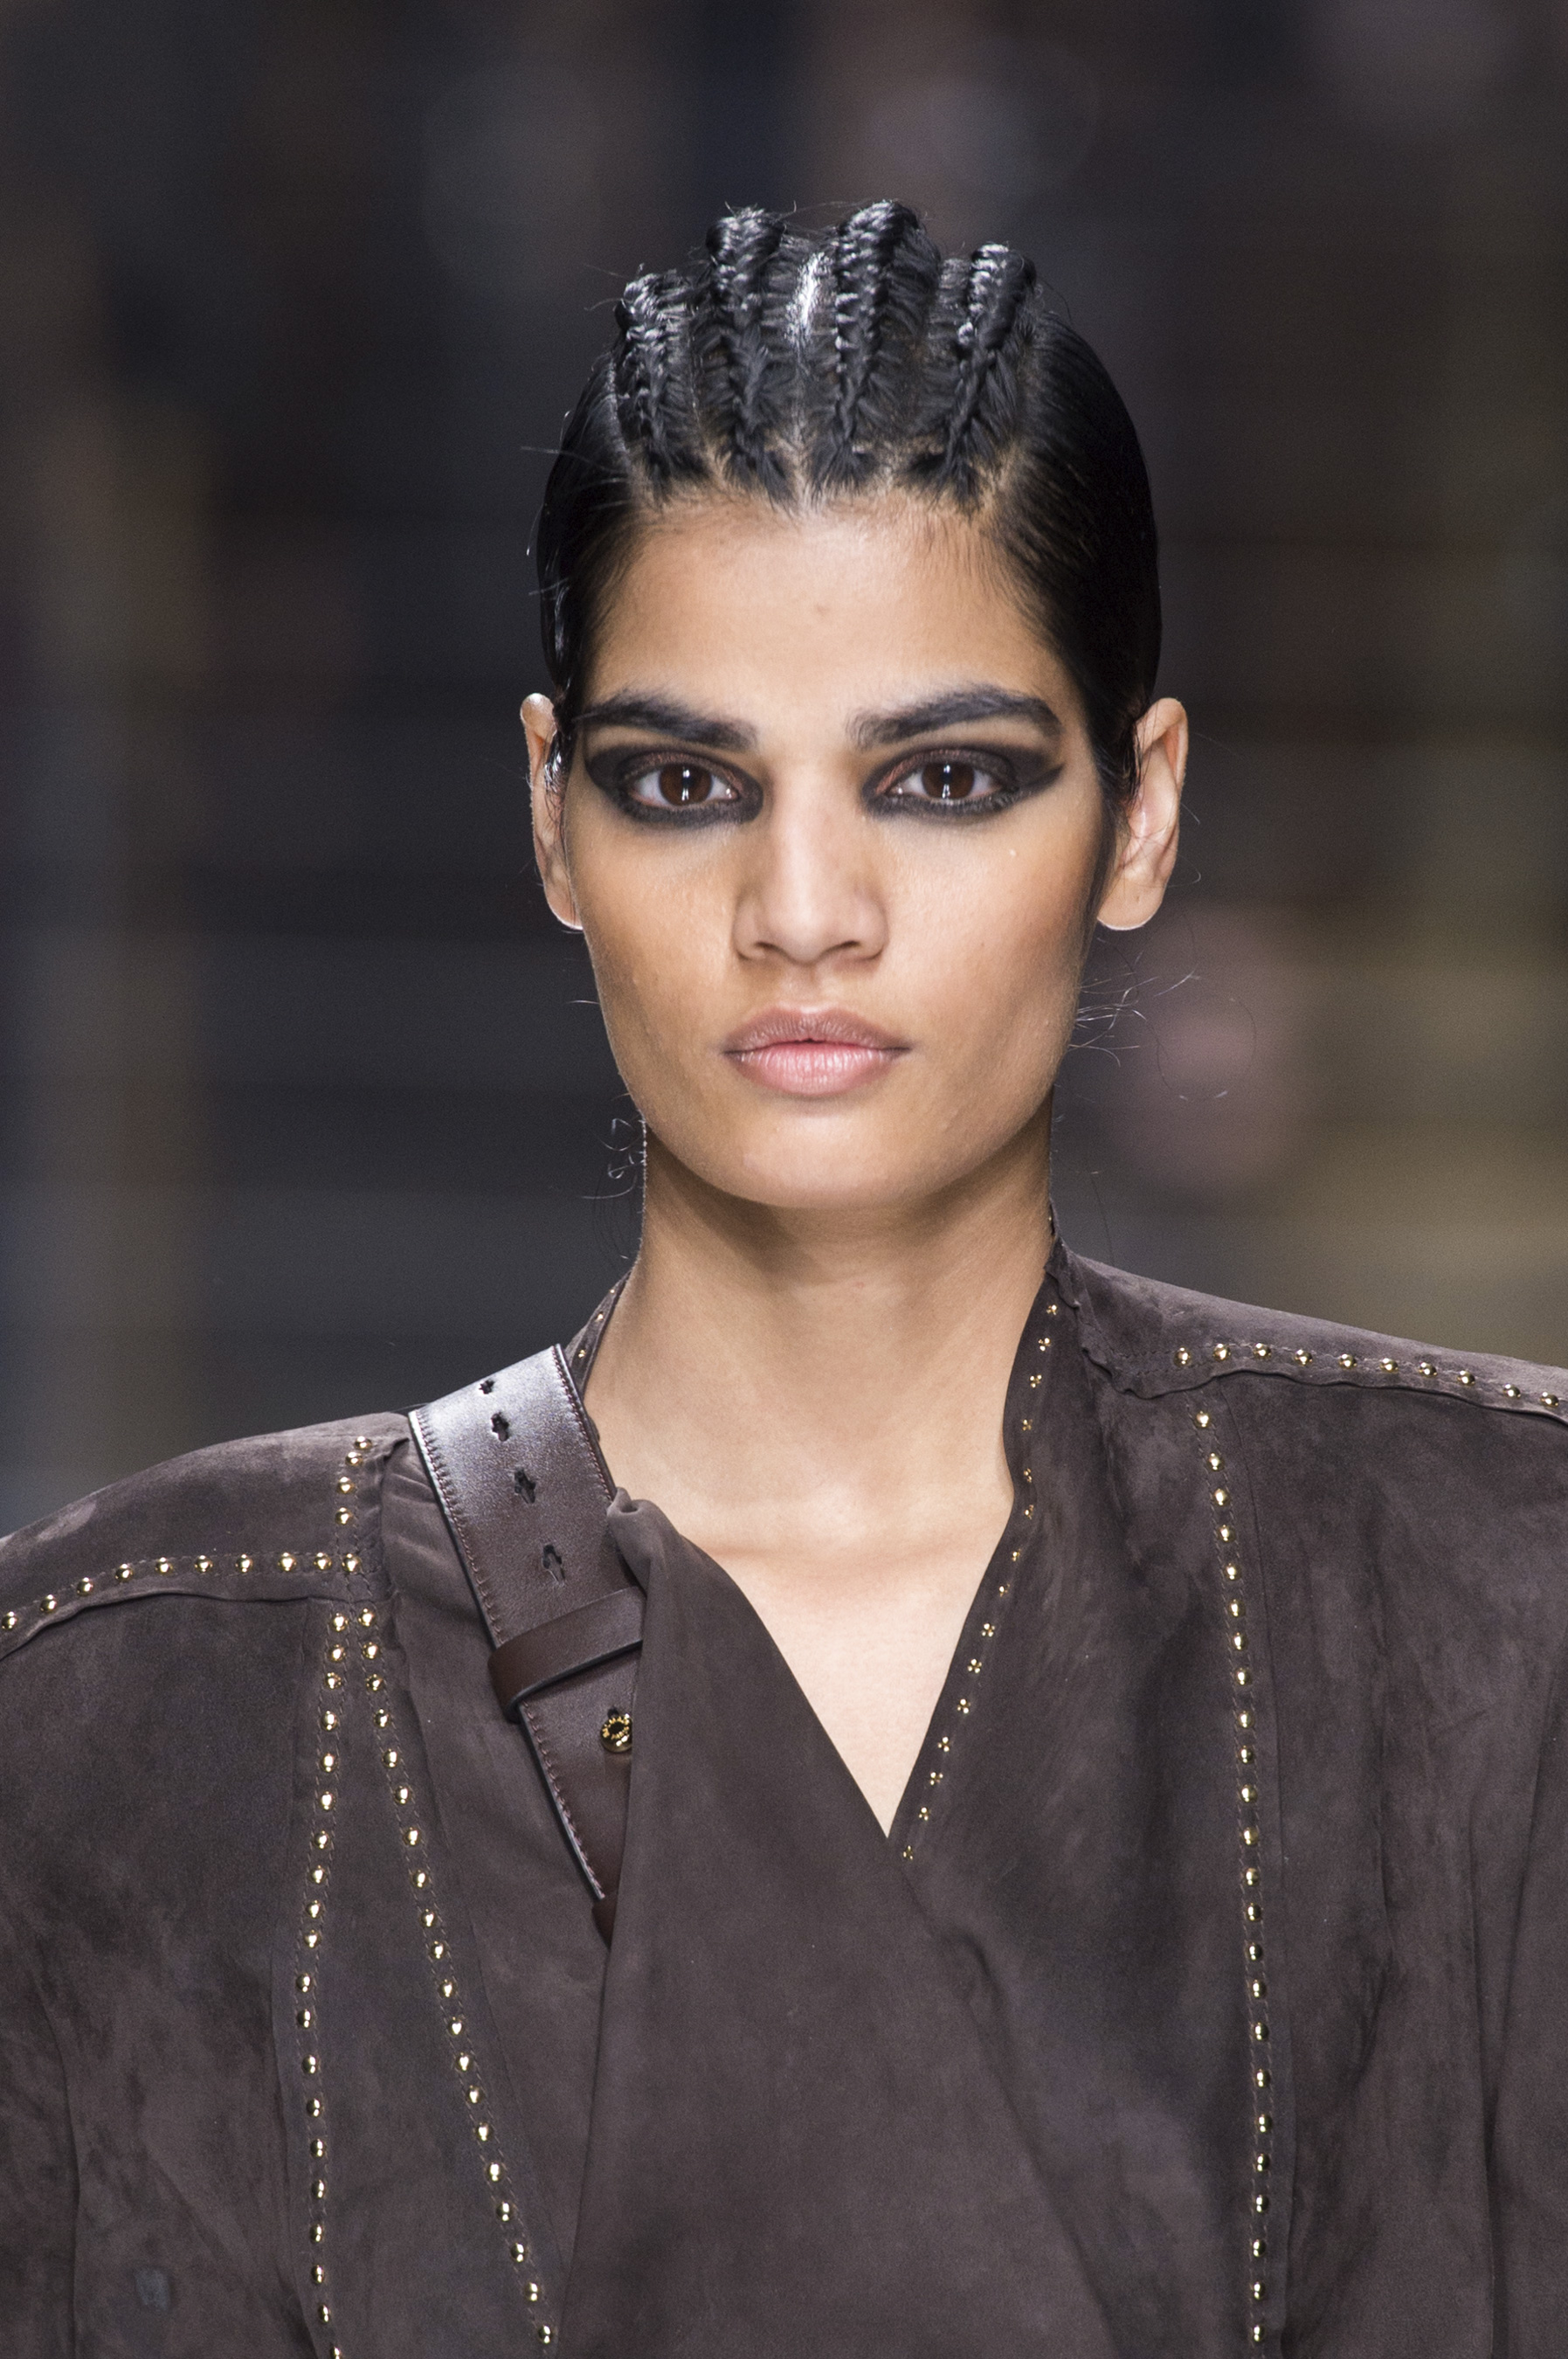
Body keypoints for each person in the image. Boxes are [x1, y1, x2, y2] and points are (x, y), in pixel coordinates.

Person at [1, 200, 1565, 2359]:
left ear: (1139, 815)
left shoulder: (1497, 1609)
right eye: (684, 783)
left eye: (942, 780)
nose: (804, 907)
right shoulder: (132, 1704)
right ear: (551, 819)